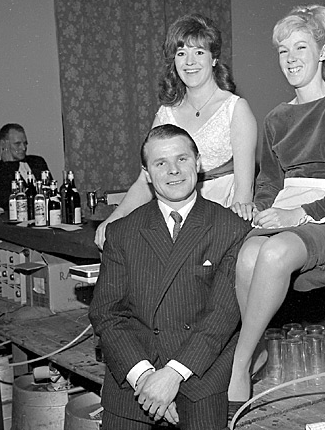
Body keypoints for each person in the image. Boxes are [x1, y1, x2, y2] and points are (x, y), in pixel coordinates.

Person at [227, 4, 325, 414]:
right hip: (288, 213)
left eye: (300, 47)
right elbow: (270, 184)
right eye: (282, 50)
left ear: (323, 52)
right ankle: (254, 353)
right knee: (247, 254)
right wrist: (258, 210)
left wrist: (300, 214)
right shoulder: (276, 118)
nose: (290, 59)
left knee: (272, 253)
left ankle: (240, 364)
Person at [89, 124, 252, 430]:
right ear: (147, 174)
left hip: (200, 378)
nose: (173, 171)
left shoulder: (231, 228)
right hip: (132, 382)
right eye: (160, 163)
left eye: (182, 159)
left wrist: (173, 375)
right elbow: (106, 314)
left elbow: (223, 315)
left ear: (198, 163)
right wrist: (146, 379)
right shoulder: (122, 232)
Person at [94, 13, 257, 249]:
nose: (189, 62)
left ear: (214, 59)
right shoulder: (165, 114)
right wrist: (114, 218)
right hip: (175, 211)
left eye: (199, 52)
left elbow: (244, 194)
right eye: (182, 53)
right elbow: (145, 182)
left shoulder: (235, 109)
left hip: (222, 211)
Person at [0, 123, 50, 211]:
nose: (23, 148)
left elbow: (51, 192)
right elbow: (6, 202)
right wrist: (8, 165)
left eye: (25, 143)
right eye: (17, 144)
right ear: (4, 144)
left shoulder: (38, 162)